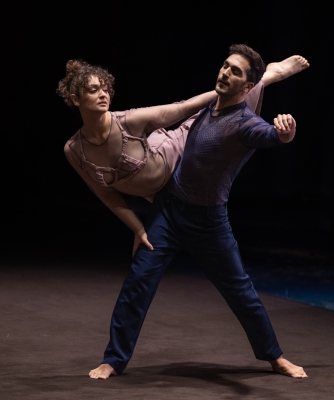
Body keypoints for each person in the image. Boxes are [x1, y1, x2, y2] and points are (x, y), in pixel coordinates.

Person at [88, 44, 309, 381]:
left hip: (208, 223)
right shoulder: (207, 106)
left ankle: (275, 356)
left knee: (241, 292)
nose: (225, 72)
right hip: (168, 213)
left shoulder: (245, 123)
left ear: (248, 86)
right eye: (225, 65)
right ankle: (114, 360)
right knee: (138, 283)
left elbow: (267, 135)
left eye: (235, 72)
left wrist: (285, 134)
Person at [58, 56, 309, 255]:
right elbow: (106, 194)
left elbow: (183, 107)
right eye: (94, 90)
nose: (104, 94)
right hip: (163, 194)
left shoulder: (128, 120)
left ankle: (270, 75)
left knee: (218, 118)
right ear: (76, 99)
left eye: (106, 89)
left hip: (173, 150)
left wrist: (230, 94)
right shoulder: (74, 150)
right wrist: (138, 228)